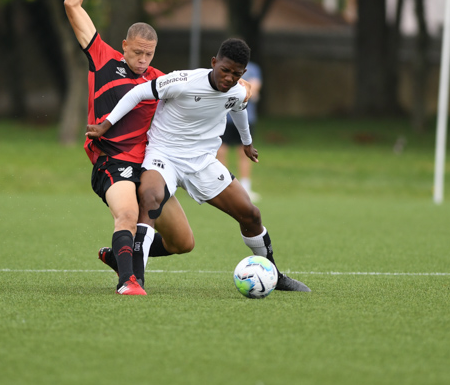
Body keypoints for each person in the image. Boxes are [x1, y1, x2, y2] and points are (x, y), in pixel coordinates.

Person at [86, 38, 311, 292]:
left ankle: (274, 274)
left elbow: (239, 108)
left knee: (251, 214)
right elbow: (139, 92)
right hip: (164, 155)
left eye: (236, 74)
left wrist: (247, 143)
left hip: (202, 161)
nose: (228, 78)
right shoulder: (183, 81)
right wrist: (106, 124)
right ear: (214, 63)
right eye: (224, 70)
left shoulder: (237, 90)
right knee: (150, 199)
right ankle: (134, 280)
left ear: (243, 73)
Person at [64, 0, 196, 295]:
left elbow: (201, 89)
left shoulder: (159, 79)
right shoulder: (103, 57)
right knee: (127, 214)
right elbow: (72, 4)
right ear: (124, 45)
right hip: (113, 161)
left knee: (183, 242)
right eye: (136, 51)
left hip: (150, 168)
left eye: (148, 54)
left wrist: (240, 86)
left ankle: (119, 255)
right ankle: (129, 280)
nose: (141, 59)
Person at [217, 60, 262, 202]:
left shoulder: (253, 68)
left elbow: (253, 92)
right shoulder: (223, 68)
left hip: (247, 119)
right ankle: (222, 187)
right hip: (224, 118)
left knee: (245, 153)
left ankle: (245, 188)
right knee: (221, 151)